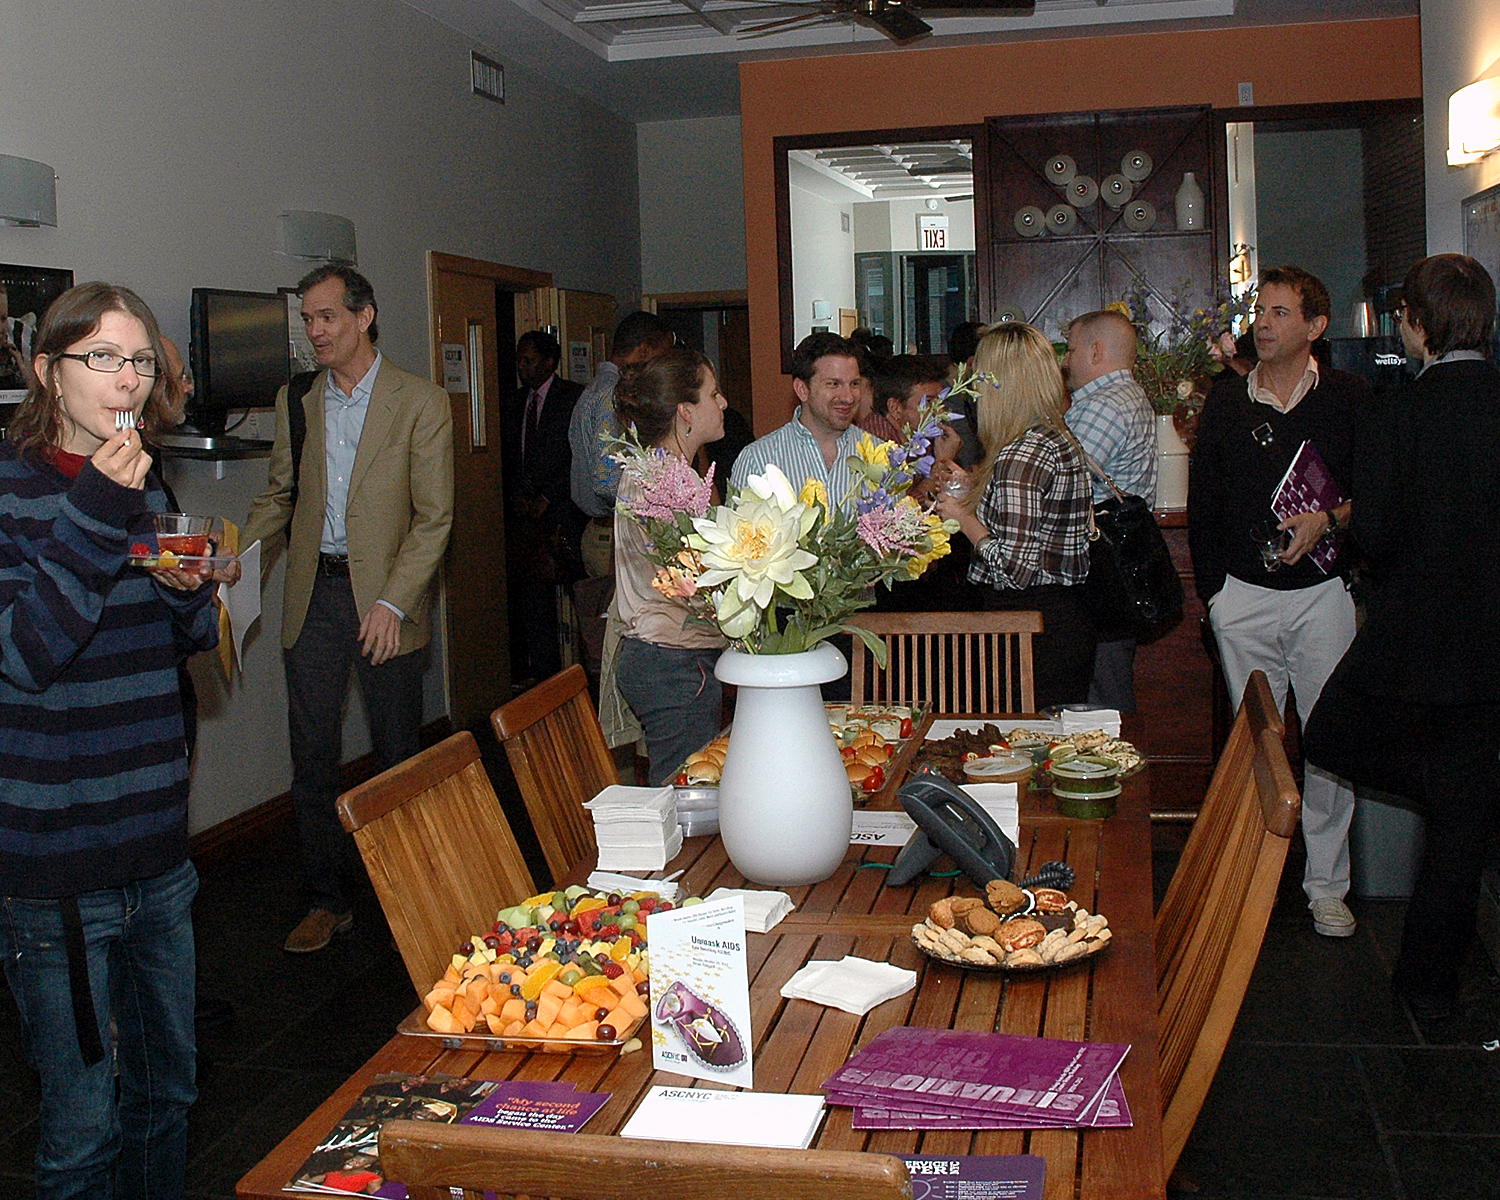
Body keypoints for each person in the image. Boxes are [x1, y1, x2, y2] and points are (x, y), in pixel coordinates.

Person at [0, 282, 224, 1199]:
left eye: (138, 359)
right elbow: (28, 656)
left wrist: (191, 597)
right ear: (48, 371)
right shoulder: (15, 491)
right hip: (59, 869)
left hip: (157, 853)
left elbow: (178, 646)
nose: (127, 378)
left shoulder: (145, 481)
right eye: (103, 358)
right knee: (83, 1130)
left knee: (166, 1095)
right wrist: (96, 506)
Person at [1304, 254, 1500, 1020]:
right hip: (1488, 644)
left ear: (1416, 325)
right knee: (1460, 811)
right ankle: (1427, 984)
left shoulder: (1397, 413)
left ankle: (1470, 802)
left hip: (1413, 640)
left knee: (1327, 736)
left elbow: (1376, 536)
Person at [242, 265, 454, 954]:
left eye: (327, 316)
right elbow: (279, 498)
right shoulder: (296, 402)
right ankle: (328, 899)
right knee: (312, 756)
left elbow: (434, 518)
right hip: (315, 594)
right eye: (307, 319)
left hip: (387, 594)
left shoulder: (420, 401)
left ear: (365, 317)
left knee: (397, 753)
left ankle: (414, 898)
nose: (315, 332)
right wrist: (230, 559)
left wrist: (395, 599)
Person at [1188, 265, 1368, 939]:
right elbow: (1205, 505)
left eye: (1280, 312)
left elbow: (1374, 496)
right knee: (1256, 749)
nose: (1262, 322)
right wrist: (1217, 598)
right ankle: (1252, 882)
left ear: (1316, 327)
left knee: (1328, 743)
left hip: (1323, 596)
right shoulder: (1228, 400)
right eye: (1259, 310)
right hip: (1244, 599)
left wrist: (1333, 519)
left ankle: (1326, 885)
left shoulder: (1349, 397)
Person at [934, 322, 1095, 709]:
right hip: (1063, 616)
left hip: (1031, 627)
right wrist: (973, 490)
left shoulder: (1020, 454)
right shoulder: (1053, 436)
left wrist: (962, 516)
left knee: (1024, 748)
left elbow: (1016, 569)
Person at [612, 346, 728, 786]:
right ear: (685, 411)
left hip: (670, 658)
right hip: (673, 661)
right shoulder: (662, 482)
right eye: (713, 395)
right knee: (683, 792)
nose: (723, 404)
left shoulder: (666, 471)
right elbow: (691, 577)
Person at [1060, 309, 1158, 712]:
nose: (1064, 361)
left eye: (1070, 350)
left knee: (1100, 701)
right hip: (1114, 572)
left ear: (1096, 351)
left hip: (1099, 572)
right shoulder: (1127, 396)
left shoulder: (1103, 405)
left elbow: (1061, 484)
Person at [567, 311, 674, 579]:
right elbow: (606, 480)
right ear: (645, 350)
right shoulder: (612, 396)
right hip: (612, 536)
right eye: (663, 354)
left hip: (600, 532)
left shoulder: (592, 390)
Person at [507, 329, 584, 682]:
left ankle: (589, 674)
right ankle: (545, 678)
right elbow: (513, 455)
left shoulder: (571, 398)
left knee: (580, 599)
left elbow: (577, 456)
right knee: (534, 603)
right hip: (527, 522)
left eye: (529, 360)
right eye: (519, 360)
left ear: (549, 362)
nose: (522, 367)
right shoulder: (515, 401)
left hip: (564, 515)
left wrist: (550, 497)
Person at [731, 331, 863, 507]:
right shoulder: (758, 460)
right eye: (833, 384)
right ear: (802, 390)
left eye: (854, 384)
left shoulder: (880, 457)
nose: (848, 397)